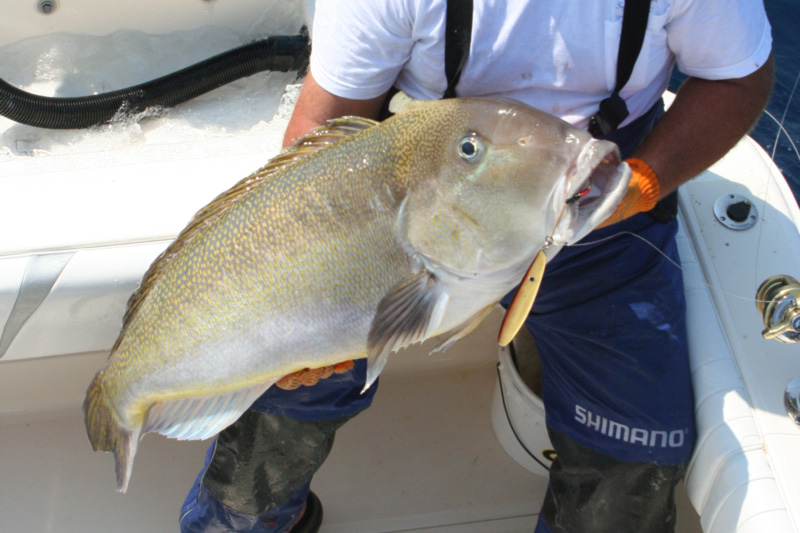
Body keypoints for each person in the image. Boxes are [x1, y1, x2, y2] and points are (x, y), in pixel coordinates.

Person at [179, 0, 774, 531]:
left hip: (599, 213)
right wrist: (302, 318)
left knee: (634, 455)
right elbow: (320, 128)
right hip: (412, 203)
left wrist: (644, 182)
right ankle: (245, 519)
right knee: (287, 384)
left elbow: (738, 76)